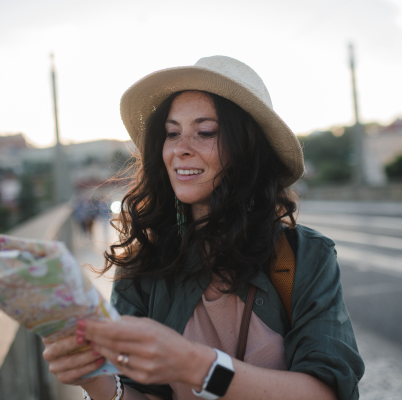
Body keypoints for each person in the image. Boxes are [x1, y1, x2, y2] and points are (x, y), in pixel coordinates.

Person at [42, 56, 364, 400]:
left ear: (247, 148)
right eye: (172, 133)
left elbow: (328, 392)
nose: (180, 149)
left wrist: (198, 366)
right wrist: (94, 377)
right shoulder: (143, 264)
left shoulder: (304, 256)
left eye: (205, 132)